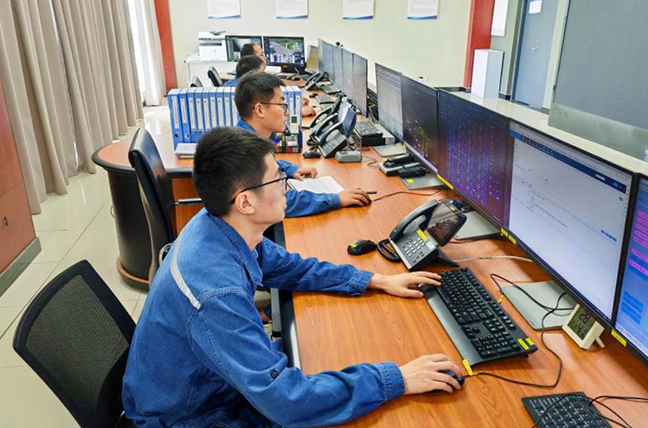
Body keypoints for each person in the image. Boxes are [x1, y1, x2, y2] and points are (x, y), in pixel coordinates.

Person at [122, 127, 463, 428]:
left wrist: (375, 280)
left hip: (209, 386)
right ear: (245, 202)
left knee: (329, 350)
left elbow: (291, 267)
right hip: (192, 416)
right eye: (278, 180)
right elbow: (287, 402)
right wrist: (397, 379)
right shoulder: (217, 293)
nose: (287, 186)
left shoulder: (220, 225)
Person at [235, 71, 370, 218]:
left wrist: (291, 169)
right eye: (282, 105)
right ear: (260, 110)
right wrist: (336, 199)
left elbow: (267, 165)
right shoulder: (248, 153)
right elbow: (280, 201)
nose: (287, 113)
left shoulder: (247, 139)